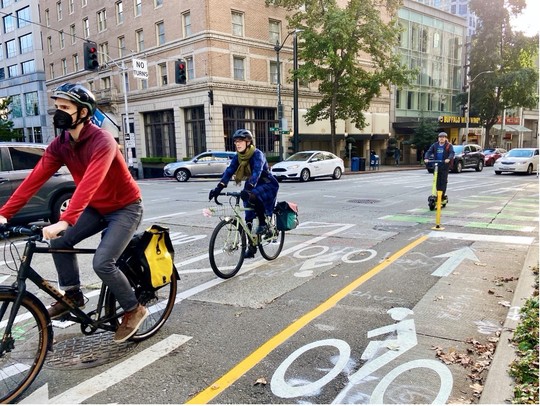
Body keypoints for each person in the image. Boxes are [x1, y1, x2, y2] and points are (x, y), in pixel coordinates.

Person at [0, 83, 148, 343]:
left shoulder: (102, 140)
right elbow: (35, 178)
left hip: (125, 207)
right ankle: (73, 295)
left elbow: (91, 181)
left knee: (103, 262)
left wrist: (65, 220)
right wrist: (5, 213)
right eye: (57, 107)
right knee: (60, 242)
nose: (59, 113)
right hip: (96, 207)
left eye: (65, 108)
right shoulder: (60, 144)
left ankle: (134, 309)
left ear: (83, 112)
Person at [208, 129, 279, 258]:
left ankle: (263, 223)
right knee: (248, 217)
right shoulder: (238, 157)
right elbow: (229, 171)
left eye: (240, 141)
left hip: (267, 183)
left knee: (255, 196)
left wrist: (249, 188)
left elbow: (257, 172)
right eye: (235, 141)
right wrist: (218, 188)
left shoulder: (257, 154)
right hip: (251, 185)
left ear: (248, 142)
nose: (237, 144)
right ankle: (252, 248)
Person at [424, 132, 455, 201]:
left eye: (443, 137)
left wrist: (448, 159)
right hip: (436, 165)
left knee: (443, 180)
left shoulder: (449, 146)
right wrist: (426, 158)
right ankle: (438, 193)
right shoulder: (435, 145)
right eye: (440, 137)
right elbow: (429, 152)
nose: (441, 139)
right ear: (438, 138)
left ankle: (442, 194)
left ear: (445, 138)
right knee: (437, 180)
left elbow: (452, 153)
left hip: (444, 165)